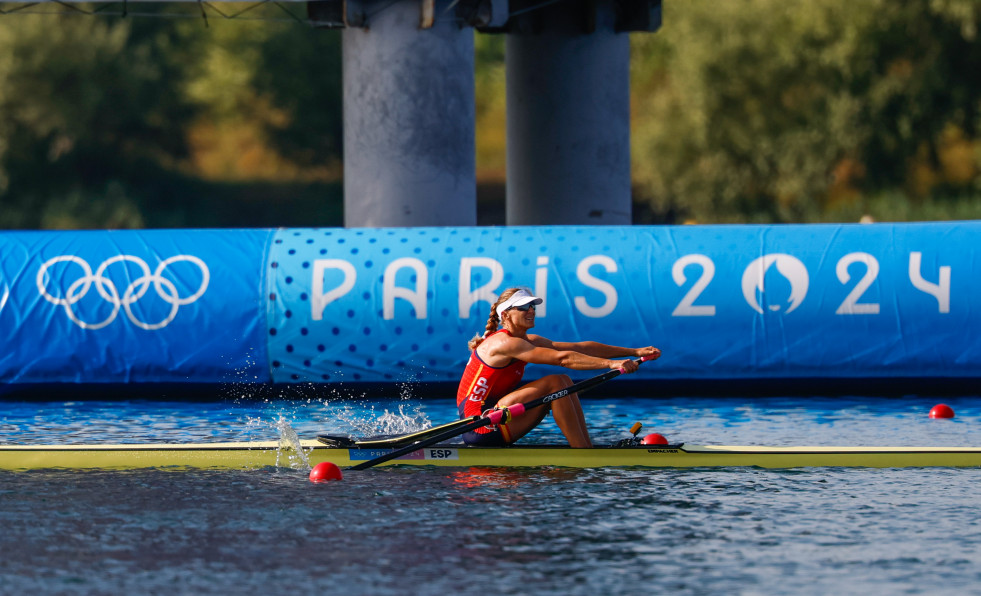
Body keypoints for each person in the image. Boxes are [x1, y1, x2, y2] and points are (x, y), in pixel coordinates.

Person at [456, 287, 661, 448]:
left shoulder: (526, 340)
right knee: (556, 382)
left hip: (500, 416)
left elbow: (580, 347)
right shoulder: (504, 343)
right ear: (506, 314)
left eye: (533, 306)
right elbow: (563, 359)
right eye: (524, 307)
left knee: (563, 381)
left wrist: (634, 352)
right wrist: (612, 364)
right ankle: (583, 453)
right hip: (481, 426)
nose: (531, 311)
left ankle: (584, 448)